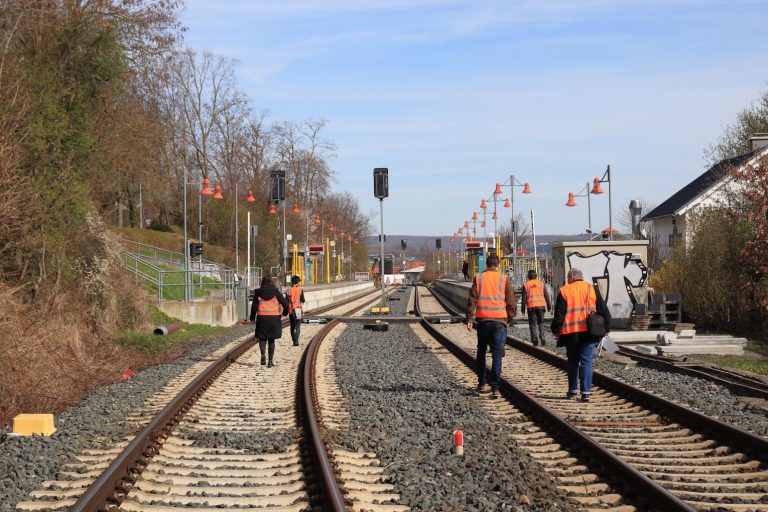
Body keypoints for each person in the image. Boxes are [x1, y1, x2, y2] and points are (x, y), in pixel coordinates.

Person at [550, 268, 611, 402]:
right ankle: (586, 392)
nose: (567, 279)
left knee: (572, 361)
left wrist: (556, 330)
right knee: (586, 361)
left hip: (571, 333)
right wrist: (607, 327)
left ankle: (572, 390)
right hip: (589, 332)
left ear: (572, 277)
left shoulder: (565, 290)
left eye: (568, 277)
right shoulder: (591, 289)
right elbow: (603, 309)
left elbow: (559, 314)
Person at [466, 254, 516, 399]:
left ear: (486, 265)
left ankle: (482, 384)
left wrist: (469, 318)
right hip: (500, 322)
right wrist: (509, 319)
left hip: (482, 321)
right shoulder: (504, 279)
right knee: (496, 354)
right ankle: (495, 388)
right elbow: (511, 302)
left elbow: (472, 299)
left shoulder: (479, 278)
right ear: (498, 265)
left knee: (481, 352)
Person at [249, 275, 290, 367]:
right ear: (272, 282)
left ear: (262, 282)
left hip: (262, 319)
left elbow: (254, 307)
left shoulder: (258, 292)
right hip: (274, 319)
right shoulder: (276, 292)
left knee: (262, 338)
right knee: (271, 340)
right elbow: (286, 305)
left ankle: (263, 354)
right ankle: (270, 361)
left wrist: (252, 318)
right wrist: (283, 314)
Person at [521, 269, 552, 346]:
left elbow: (524, 298)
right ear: (536, 276)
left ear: (528, 276)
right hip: (541, 306)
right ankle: (542, 336)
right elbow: (546, 295)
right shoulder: (541, 283)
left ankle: (535, 340)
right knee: (541, 322)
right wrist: (549, 306)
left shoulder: (526, 284)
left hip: (531, 307)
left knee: (532, 324)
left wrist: (522, 309)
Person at [285, 275, 306, 346]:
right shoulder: (300, 290)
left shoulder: (288, 291)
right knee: (297, 325)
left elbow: (286, 301)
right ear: (297, 282)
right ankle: (296, 340)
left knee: (292, 325)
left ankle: (293, 340)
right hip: (298, 310)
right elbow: (303, 300)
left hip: (291, 310)